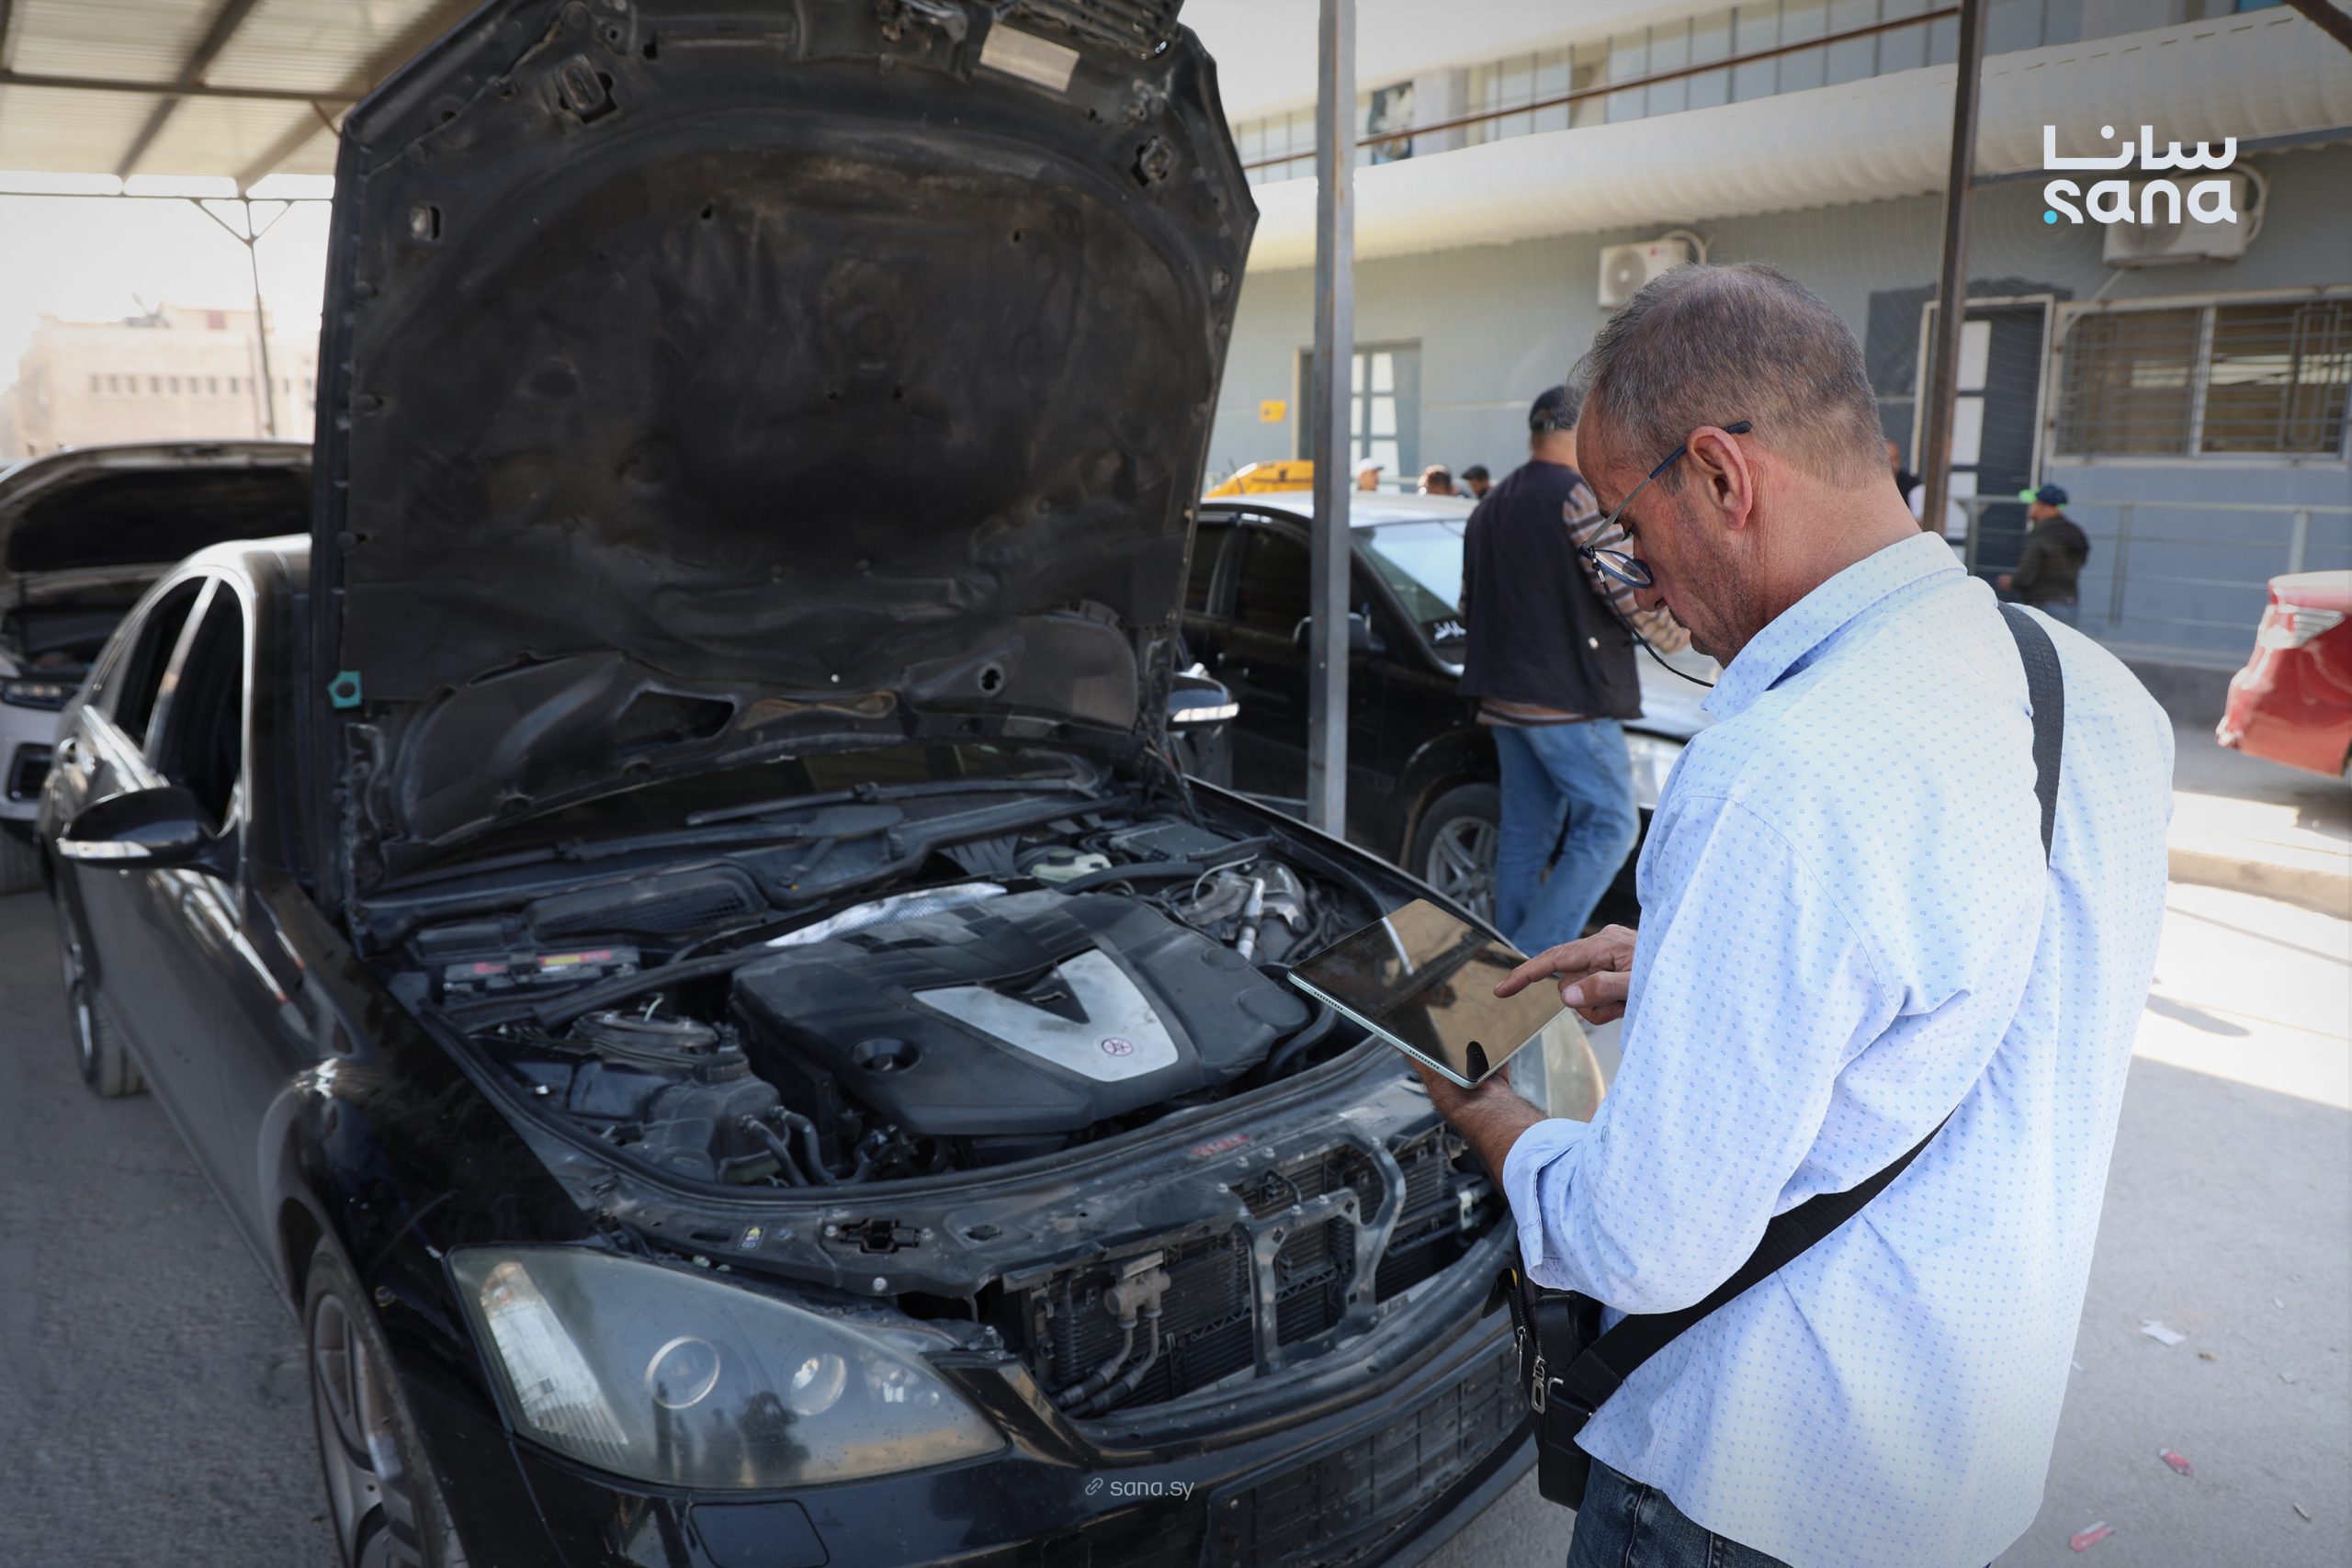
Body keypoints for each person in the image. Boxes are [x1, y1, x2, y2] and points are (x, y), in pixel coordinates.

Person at [1412, 264, 2171, 1567]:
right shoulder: (2096, 694)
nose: (1641, 585)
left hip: (1754, 1480)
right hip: (1957, 1456)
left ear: (1720, 476)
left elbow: (1641, 1244)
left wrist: (1487, 1114)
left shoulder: (1779, 767)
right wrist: (1692, 964)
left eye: (1626, 533)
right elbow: (1970, 982)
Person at [1458, 384, 1690, 955]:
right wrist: (1680, 631)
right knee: (1611, 827)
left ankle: (1507, 968)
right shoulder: (1578, 497)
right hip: (1568, 701)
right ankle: (1535, 958)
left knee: (1524, 835)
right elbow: (1624, 589)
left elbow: (1468, 606)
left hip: (1503, 699)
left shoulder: (1490, 504)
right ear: (1582, 429)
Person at [2000, 483, 2091, 627]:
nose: (2031, 508)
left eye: (2033, 503)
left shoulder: (2042, 534)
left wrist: (2012, 581)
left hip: (2044, 605)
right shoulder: (2074, 531)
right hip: (2070, 603)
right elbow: (2080, 561)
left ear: (2043, 506)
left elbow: (2027, 572)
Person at [1885, 438, 1919, 509]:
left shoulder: (1911, 485)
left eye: (1894, 459)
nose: (1891, 465)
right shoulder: (1869, 483)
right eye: (1887, 460)